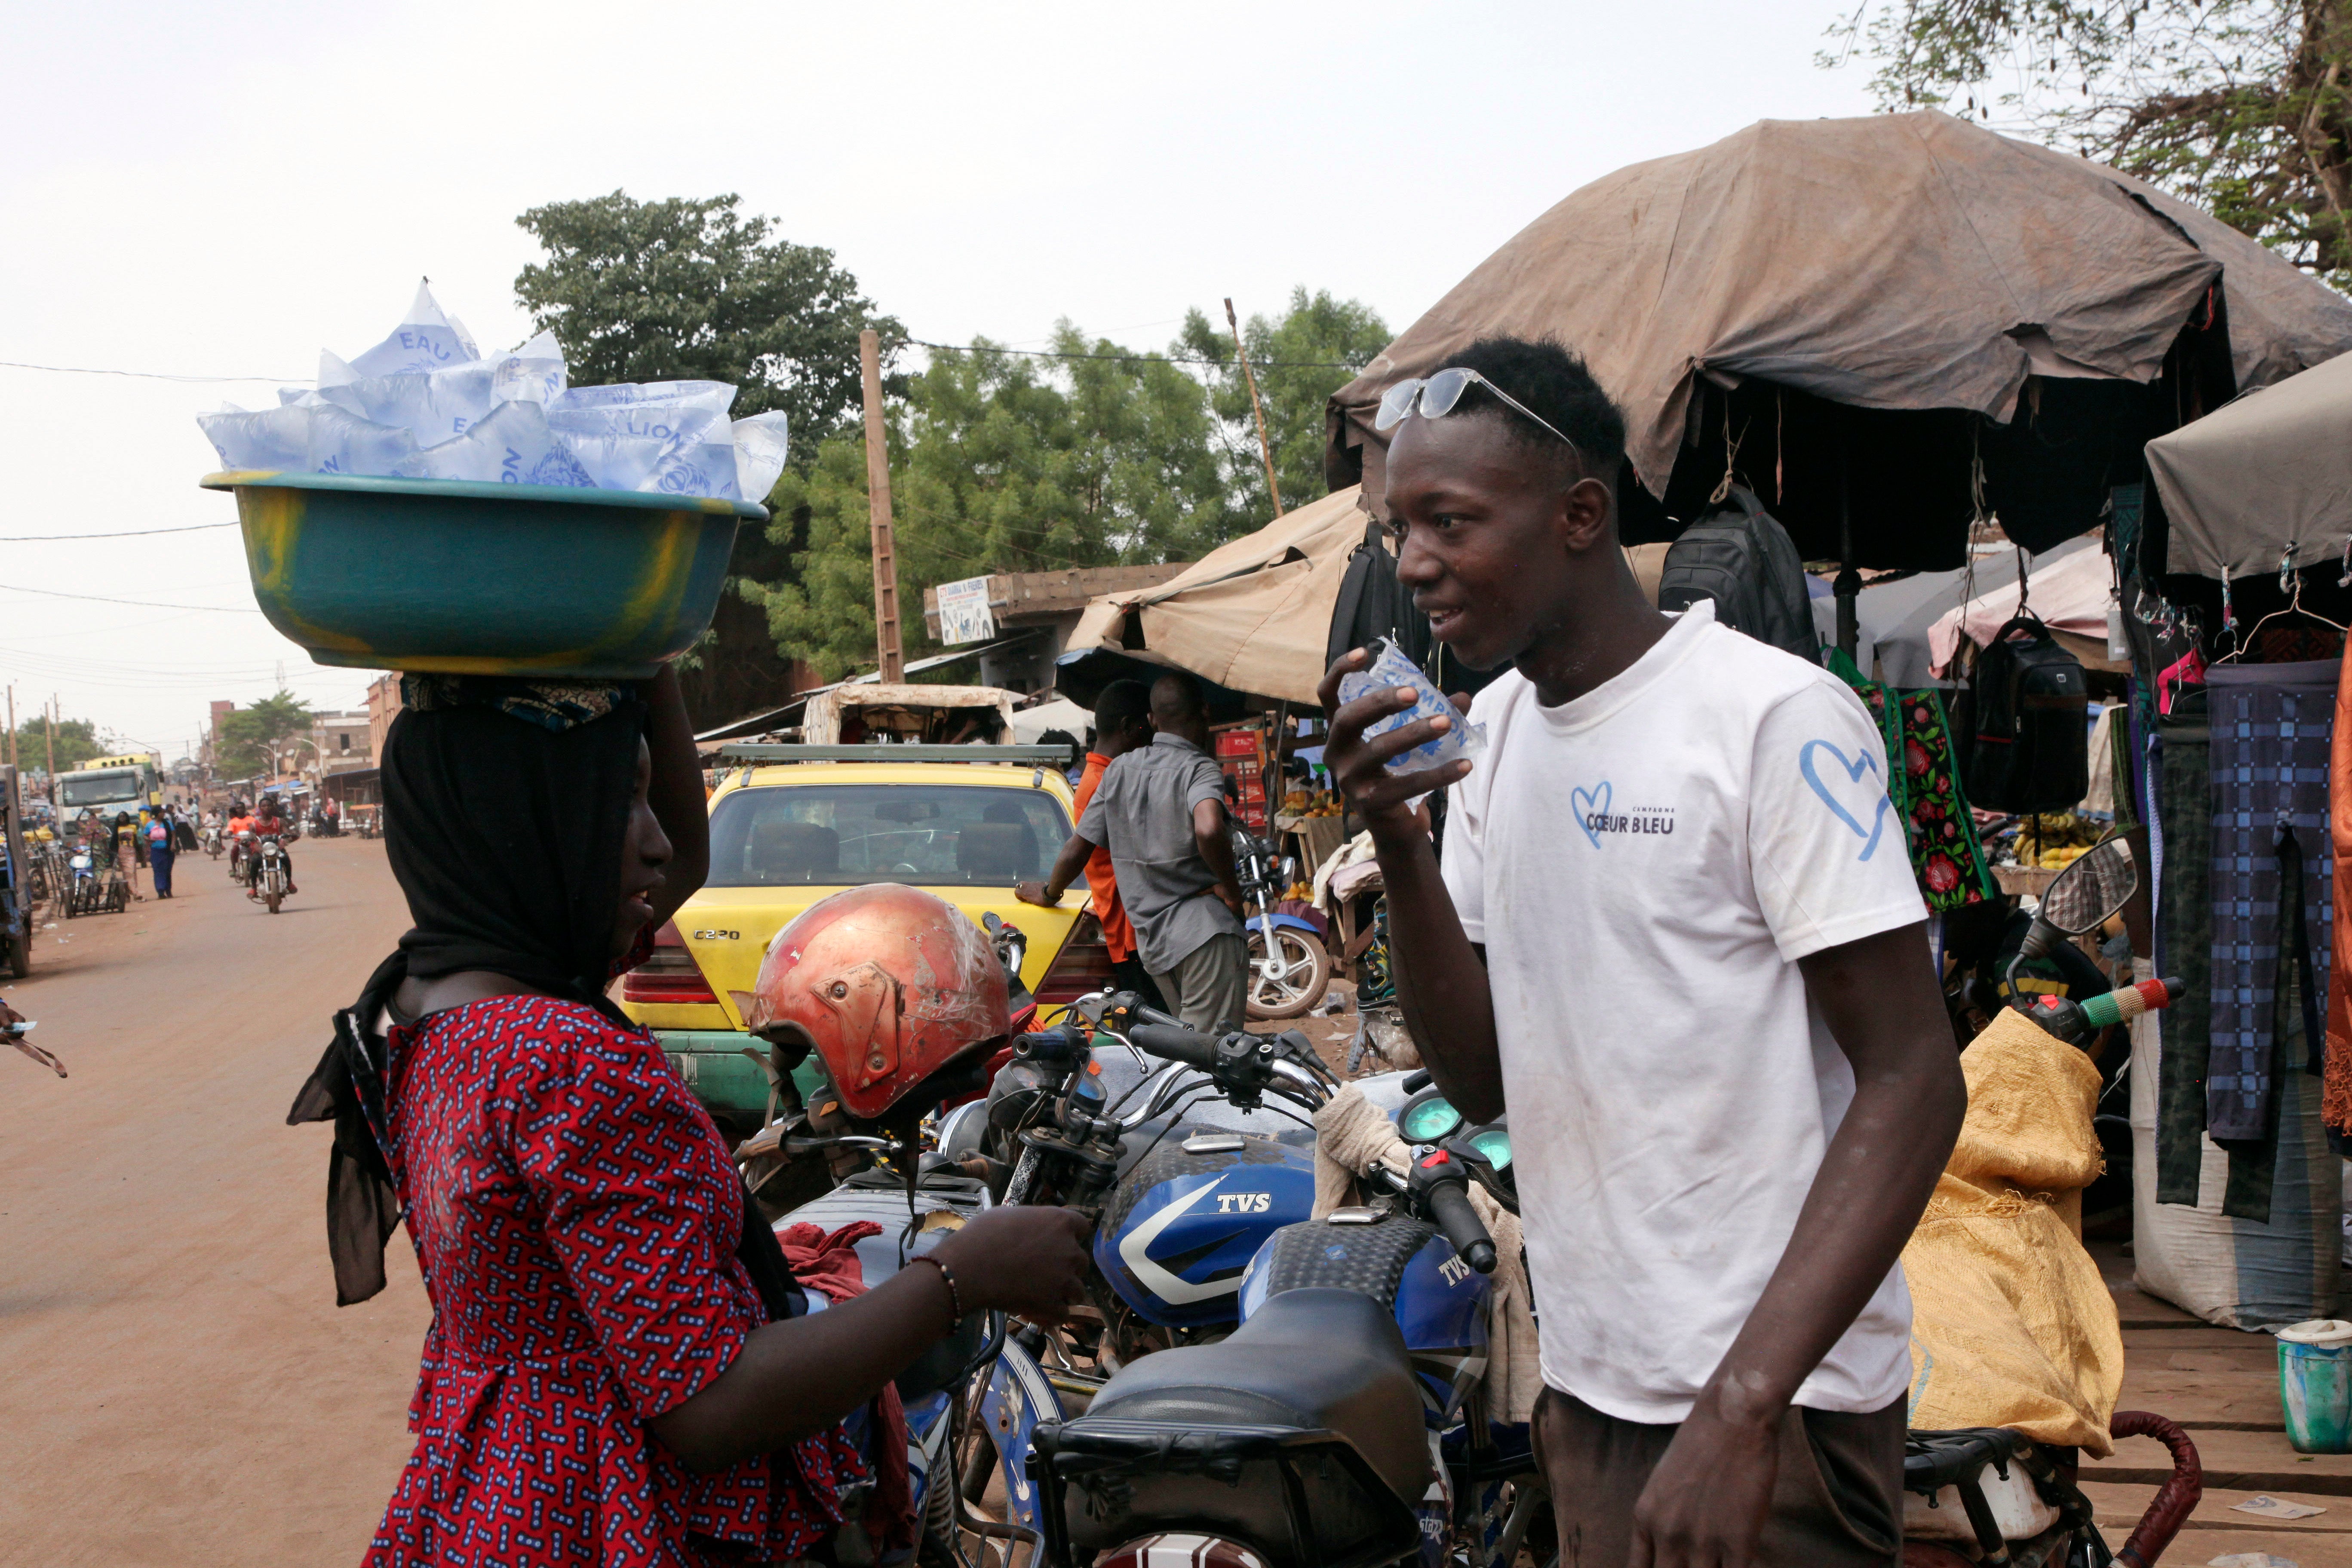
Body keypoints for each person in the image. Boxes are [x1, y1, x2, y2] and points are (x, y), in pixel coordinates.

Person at [1318, 337, 1967, 1568]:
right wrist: (1397, 842)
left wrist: (1739, 1407)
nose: (1412, 566)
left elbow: (1913, 1077)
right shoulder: (1493, 729)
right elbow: (1480, 1080)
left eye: (1448, 520)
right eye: (1398, 526)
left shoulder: (1764, 718)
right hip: (1594, 1382)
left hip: (1771, 1404)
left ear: (1577, 515)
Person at [287, 666, 1091, 1566]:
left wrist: (651, 664)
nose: (658, 844)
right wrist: (961, 1273)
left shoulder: (436, 999)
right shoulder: (569, 1061)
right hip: (610, 1515)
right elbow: (707, 1404)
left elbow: (686, 858)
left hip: (493, 1484)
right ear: (534, 826)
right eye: (615, 803)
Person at [1023, 672, 1246, 1035]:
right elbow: (1208, 828)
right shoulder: (1199, 768)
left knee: (1183, 1048)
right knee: (1210, 1056)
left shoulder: (1118, 771)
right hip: (1204, 935)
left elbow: (1077, 848)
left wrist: (1050, 894)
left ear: (1154, 720)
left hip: (1152, 945)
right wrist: (1233, 892)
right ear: (1205, 711)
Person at [1017, 681, 1167, 1013]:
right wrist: (1049, 892)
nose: (1154, 736)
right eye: (1149, 726)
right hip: (1135, 933)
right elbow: (1077, 850)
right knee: (1163, 1033)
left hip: (1134, 931)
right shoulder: (1108, 779)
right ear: (1129, 727)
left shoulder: (1104, 774)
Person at [247, 798, 296, 899]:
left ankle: (289, 883)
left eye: (269, 805)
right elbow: (250, 835)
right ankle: (254, 888)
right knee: (255, 862)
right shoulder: (254, 824)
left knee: (286, 859)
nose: (267, 808)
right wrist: (249, 838)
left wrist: (288, 835)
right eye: (264, 806)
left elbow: (286, 831)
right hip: (262, 851)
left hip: (277, 849)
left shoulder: (279, 821)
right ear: (260, 808)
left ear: (273, 807)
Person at [146, 809, 176, 899]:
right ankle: (160, 891)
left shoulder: (169, 822)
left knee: (167, 870)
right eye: (161, 812)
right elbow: (145, 835)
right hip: (156, 850)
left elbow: (173, 834)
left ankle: (168, 890)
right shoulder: (150, 825)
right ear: (156, 814)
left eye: (164, 812)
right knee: (158, 870)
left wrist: (173, 845)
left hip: (167, 850)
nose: (163, 814)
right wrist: (148, 840)